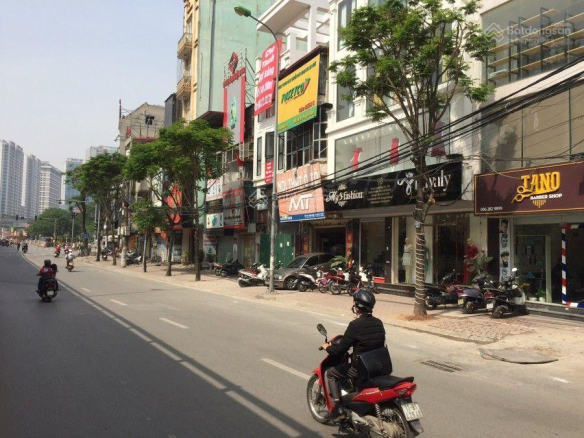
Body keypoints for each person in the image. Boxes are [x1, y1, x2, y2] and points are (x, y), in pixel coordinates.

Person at [321, 288, 386, 422]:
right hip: (378, 367)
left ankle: (338, 409)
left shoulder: (355, 325)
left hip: (360, 369)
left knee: (331, 373)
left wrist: (328, 347)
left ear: (357, 306)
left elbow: (339, 350)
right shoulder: (378, 323)